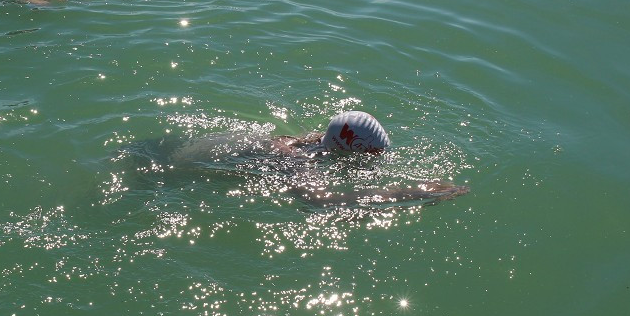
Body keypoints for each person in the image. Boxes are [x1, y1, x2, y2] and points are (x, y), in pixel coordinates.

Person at [149, 110, 468, 208]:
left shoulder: (314, 141)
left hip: (174, 149)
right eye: (370, 158)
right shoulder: (293, 160)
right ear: (349, 149)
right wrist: (414, 193)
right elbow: (323, 202)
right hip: (156, 169)